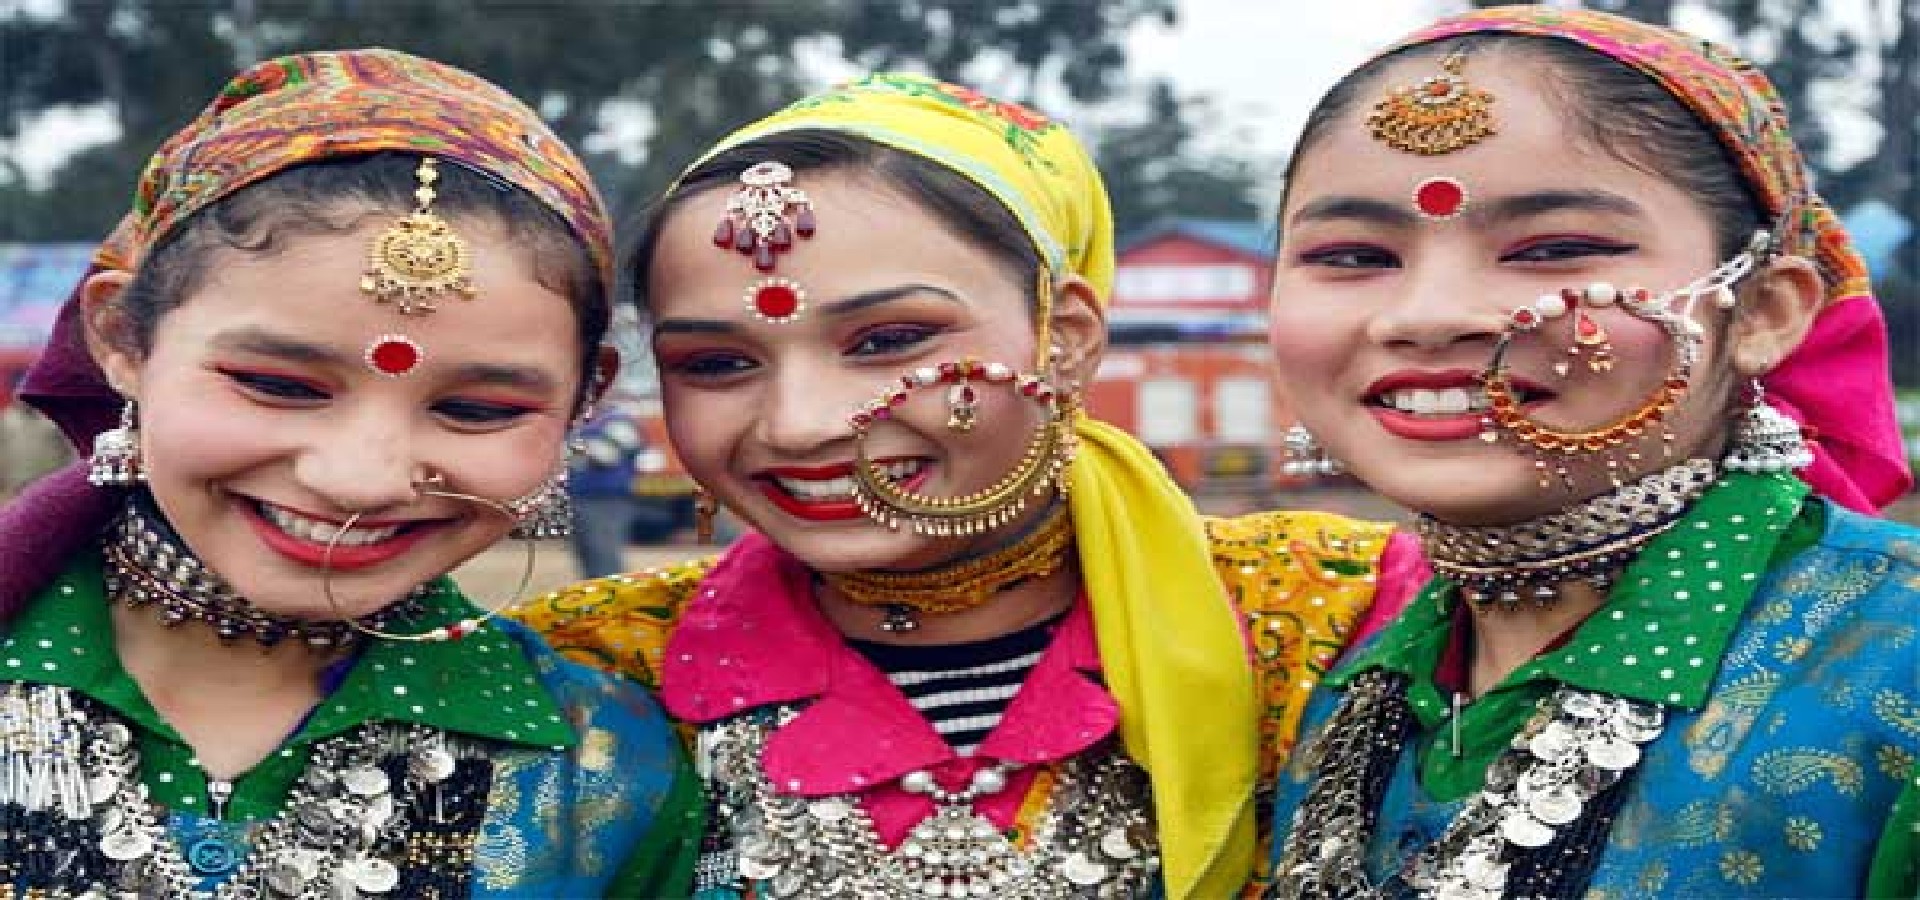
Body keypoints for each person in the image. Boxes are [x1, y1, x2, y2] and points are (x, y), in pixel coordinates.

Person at [514, 72, 1429, 899]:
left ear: (1064, 335)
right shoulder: (597, 673)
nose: (796, 423)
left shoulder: (1335, 612)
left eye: (885, 342)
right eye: (716, 362)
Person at [0, 50, 699, 897]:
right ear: (119, 337)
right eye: (278, 386)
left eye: (477, 410)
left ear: (586, 398)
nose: (362, 481)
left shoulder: (606, 768)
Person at [1258, 7, 1920, 897]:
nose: (1428, 314)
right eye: (1351, 255)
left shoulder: (1894, 671)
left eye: (1555, 249)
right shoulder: (1332, 682)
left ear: (1762, 312)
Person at [568, 399, 648, 578]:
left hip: (607, 499)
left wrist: (581, 448)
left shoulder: (618, 421)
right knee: (585, 552)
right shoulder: (578, 424)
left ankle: (612, 597)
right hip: (579, 496)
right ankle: (593, 597)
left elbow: (609, 455)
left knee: (604, 551)